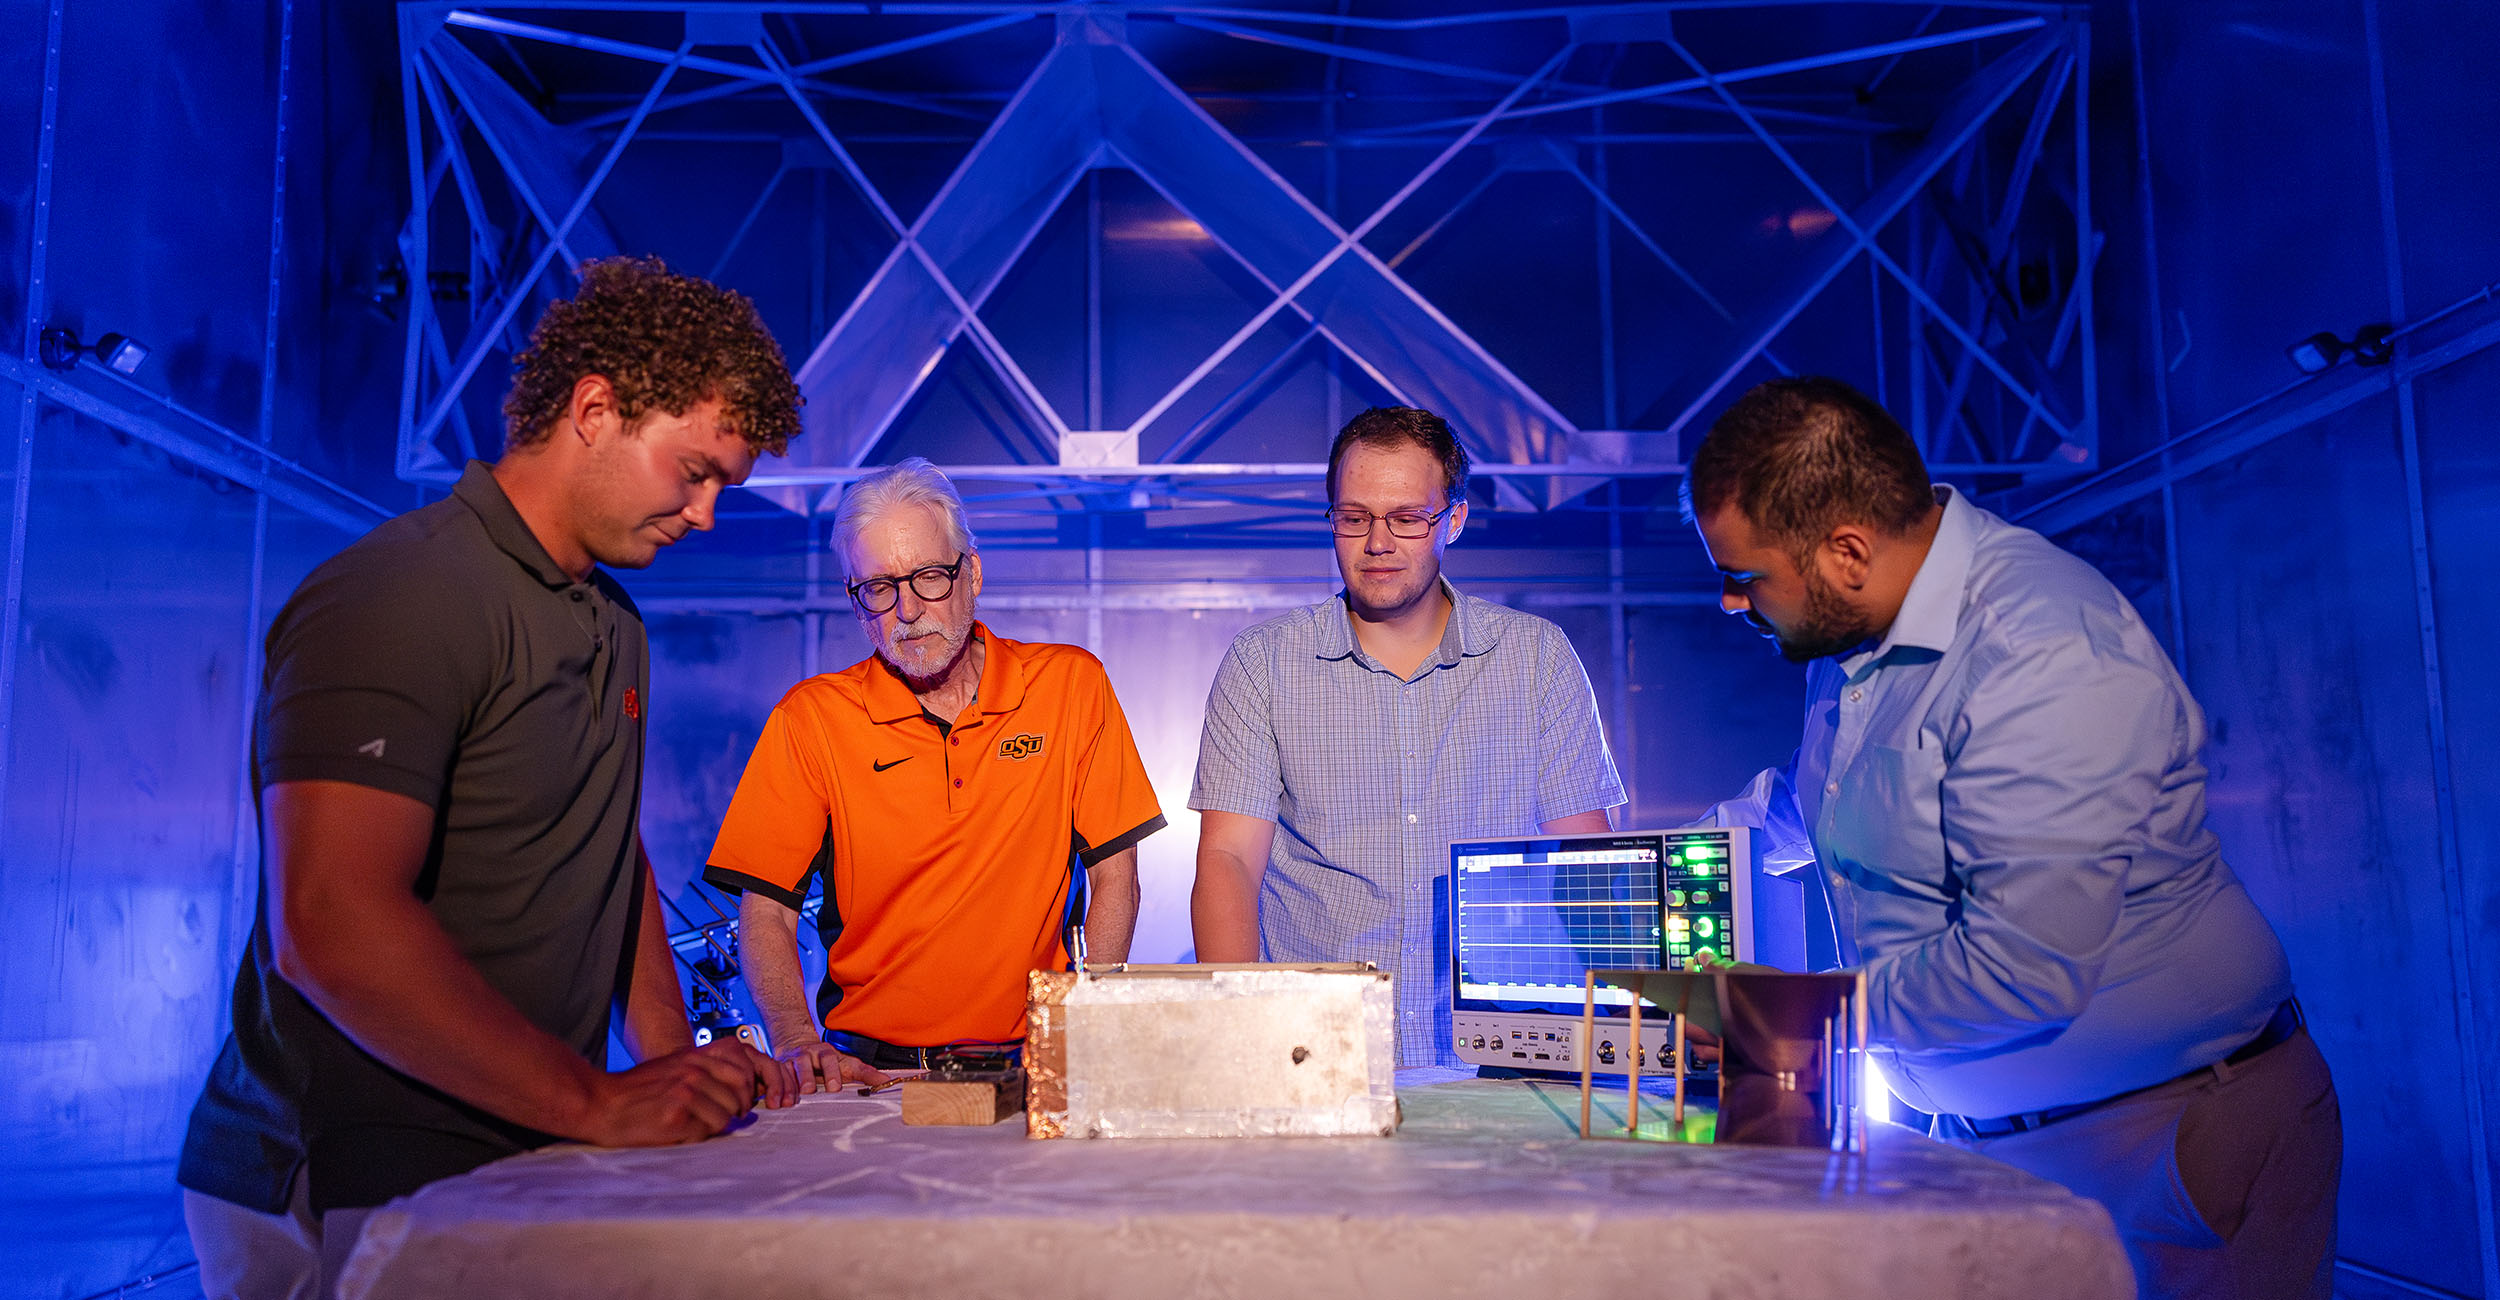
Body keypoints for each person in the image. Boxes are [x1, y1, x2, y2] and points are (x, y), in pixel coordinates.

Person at [177, 257, 807, 1298]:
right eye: (693, 471)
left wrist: (676, 1067)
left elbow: (612, 855)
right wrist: (597, 1101)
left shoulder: (612, 622)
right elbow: (328, 922)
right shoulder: (405, 594)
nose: (704, 515)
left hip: (506, 1144)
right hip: (342, 1171)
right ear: (595, 409)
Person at [1686, 376, 2339, 1299]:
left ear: (1845, 551)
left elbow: (2022, 969)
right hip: (1996, 1147)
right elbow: (1835, 801)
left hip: (2168, 1142)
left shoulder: (2044, 652)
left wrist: (1782, 1020)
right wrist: (1679, 856)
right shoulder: (1864, 623)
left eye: (1745, 576)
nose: (1729, 602)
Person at [1188, 406, 1627, 1066]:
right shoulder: (1264, 662)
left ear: (1452, 521)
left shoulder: (1535, 658)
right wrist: (1237, 1040)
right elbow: (1228, 862)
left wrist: (1617, 1037)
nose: (1377, 543)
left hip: (1503, 1062)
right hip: (1318, 1059)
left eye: (1406, 519)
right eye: (1354, 518)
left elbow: (1585, 866)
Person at [704, 459, 1165, 1083]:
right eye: (879, 588)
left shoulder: (1070, 686)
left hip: (1031, 1070)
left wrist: (1088, 1025)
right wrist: (793, 1041)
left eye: (928, 578)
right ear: (857, 601)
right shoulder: (810, 718)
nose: (908, 611)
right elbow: (766, 909)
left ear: (971, 574)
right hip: (868, 1078)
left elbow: (1117, 880)